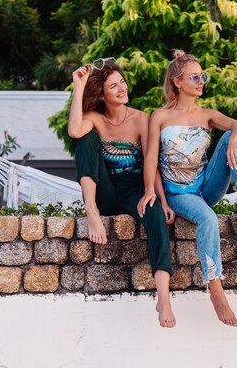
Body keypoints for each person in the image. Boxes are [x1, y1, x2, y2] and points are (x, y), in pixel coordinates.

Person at [138, 50, 237, 327]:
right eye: (195, 76)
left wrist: (232, 140)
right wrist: (153, 193)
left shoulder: (207, 115)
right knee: (207, 217)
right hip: (179, 194)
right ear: (177, 82)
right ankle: (215, 287)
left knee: (235, 137)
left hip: (207, 187)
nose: (201, 81)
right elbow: (151, 159)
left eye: (202, 75)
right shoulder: (159, 116)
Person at [68, 58, 176, 328]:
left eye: (122, 83)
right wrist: (78, 86)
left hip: (134, 189)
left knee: (155, 218)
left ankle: (163, 297)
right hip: (103, 191)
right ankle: (91, 210)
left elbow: (153, 160)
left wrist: (158, 198)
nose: (121, 89)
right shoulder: (94, 118)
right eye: (113, 86)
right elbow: (73, 130)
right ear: (102, 94)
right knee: (86, 138)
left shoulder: (141, 119)